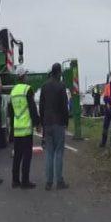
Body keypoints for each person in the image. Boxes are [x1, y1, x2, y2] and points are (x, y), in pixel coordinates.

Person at [39, 63, 69, 191]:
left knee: (49, 152)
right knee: (59, 152)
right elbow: (64, 106)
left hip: (47, 123)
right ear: (59, 72)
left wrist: (42, 121)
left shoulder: (44, 86)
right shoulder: (61, 86)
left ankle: (49, 182)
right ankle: (59, 181)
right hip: (58, 123)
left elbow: (41, 106)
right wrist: (66, 121)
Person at [9, 68, 40, 189]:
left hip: (17, 128)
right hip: (26, 128)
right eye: (26, 75)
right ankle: (25, 181)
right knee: (27, 155)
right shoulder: (27, 89)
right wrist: (37, 123)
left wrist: (12, 128)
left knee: (17, 156)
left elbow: (11, 112)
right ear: (23, 77)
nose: (27, 77)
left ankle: (15, 181)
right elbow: (32, 108)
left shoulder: (13, 91)